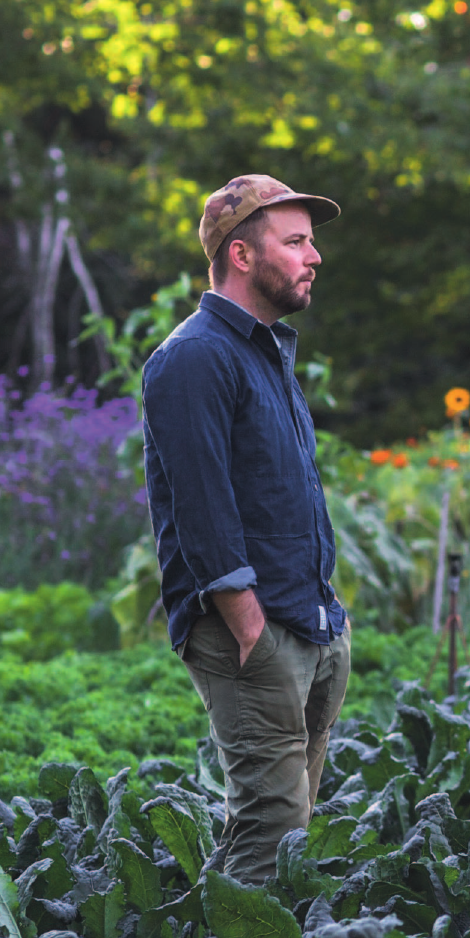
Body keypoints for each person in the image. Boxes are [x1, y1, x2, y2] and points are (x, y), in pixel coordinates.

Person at [142, 174, 351, 885]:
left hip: (308, 617)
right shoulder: (195, 356)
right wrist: (250, 628)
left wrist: (326, 620)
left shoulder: (263, 350)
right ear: (240, 254)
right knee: (275, 827)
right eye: (295, 242)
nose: (313, 256)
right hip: (251, 632)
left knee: (276, 826)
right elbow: (202, 508)